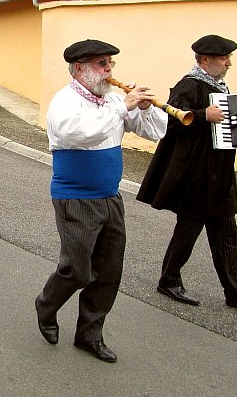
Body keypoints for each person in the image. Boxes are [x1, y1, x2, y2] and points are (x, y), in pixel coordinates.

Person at [34, 39, 167, 363]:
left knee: (108, 272)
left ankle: (89, 335)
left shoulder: (112, 100)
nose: (108, 71)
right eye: (101, 64)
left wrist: (146, 108)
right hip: (75, 198)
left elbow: (155, 133)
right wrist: (125, 106)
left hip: (110, 197)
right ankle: (46, 304)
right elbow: (79, 134)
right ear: (79, 68)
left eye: (110, 64)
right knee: (77, 270)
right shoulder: (65, 102)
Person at [137, 34, 237, 309]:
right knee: (188, 229)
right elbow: (171, 123)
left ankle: (236, 288)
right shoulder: (188, 85)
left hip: (219, 172)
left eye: (228, 58)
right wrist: (203, 115)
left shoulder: (219, 87)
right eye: (224, 58)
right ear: (205, 60)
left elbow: (231, 128)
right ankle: (169, 280)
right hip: (195, 173)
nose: (228, 63)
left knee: (226, 232)